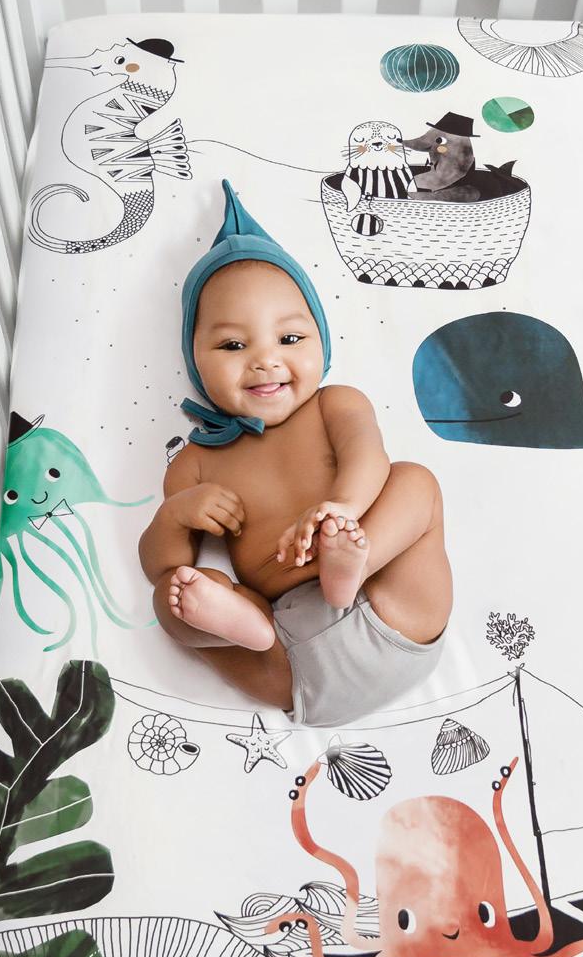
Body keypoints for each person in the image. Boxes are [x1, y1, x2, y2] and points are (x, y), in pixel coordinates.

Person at [139, 180, 452, 726]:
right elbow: (162, 563)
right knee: (174, 595)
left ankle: (351, 566)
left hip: (390, 599)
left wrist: (342, 510)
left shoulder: (335, 403)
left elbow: (368, 455)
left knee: (414, 482)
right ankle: (245, 625)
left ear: (321, 341)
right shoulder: (196, 461)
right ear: (194, 360)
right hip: (286, 652)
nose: (265, 361)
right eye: (233, 345)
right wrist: (174, 516)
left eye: (289, 339)